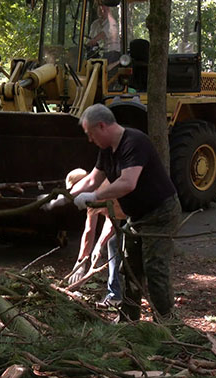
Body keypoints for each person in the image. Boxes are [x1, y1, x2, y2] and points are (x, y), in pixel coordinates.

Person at [70, 104, 181, 321]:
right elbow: (93, 179)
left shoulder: (134, 142)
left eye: (91, 134)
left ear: (102, 126)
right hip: (137, 217)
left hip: (160, 213)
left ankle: (167, 324)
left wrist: (93, 197)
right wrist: (66, 195)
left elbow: (127, 183)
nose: (90, 140)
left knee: (154, 269)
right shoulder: (106, 150)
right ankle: (128, 319)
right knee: (129, 268)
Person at [65, 168, 125, 308]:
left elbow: (91, 230)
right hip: (120, 218)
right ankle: (117, 294)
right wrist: (86, 256)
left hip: (134, 217)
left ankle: (115, 296)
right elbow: (109, 217)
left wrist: (82, 261)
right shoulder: (94, 196)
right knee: (112, 244)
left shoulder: (99, 192)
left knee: (114, 246)